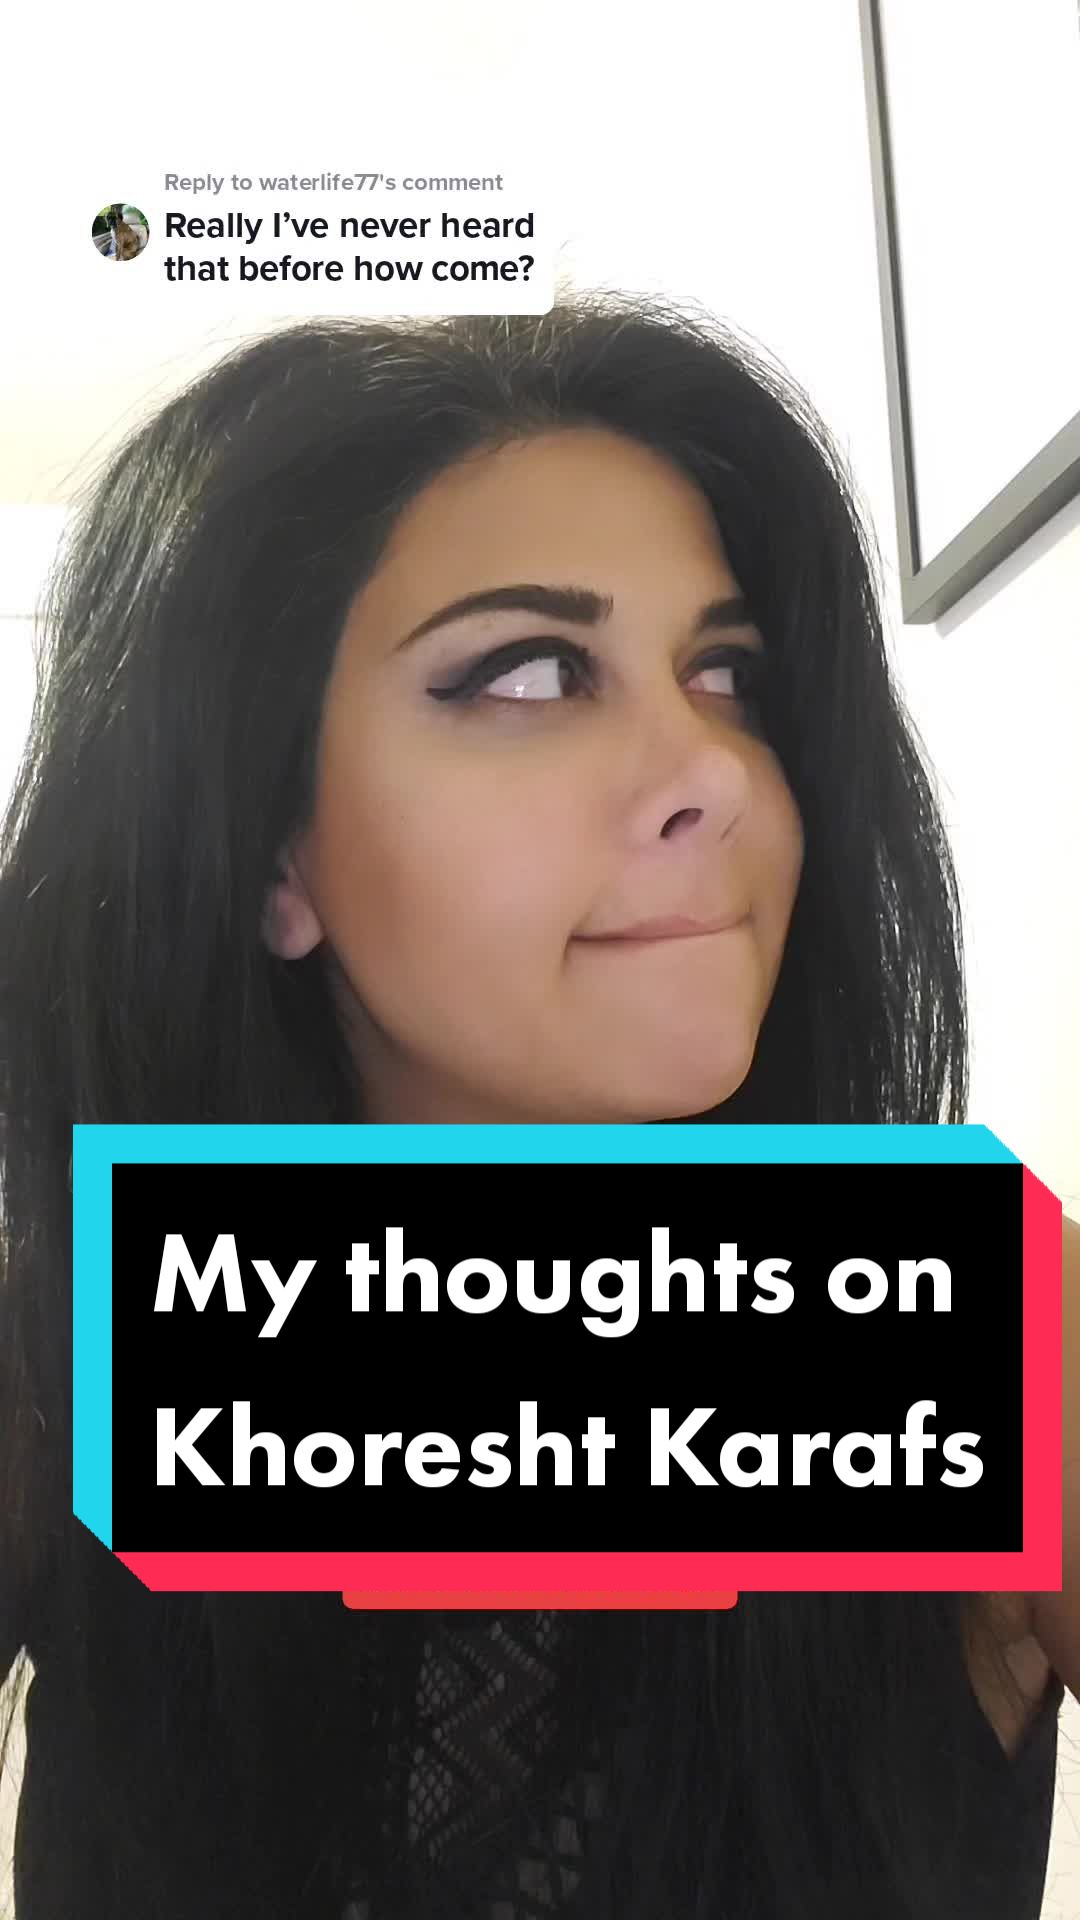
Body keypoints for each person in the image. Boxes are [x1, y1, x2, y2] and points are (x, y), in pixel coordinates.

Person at [0, 289, 1075, 1919]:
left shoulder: (993, 1327)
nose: (715, 771)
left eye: (727, 675)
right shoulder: (67, 1347)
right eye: (526, 672)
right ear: (273, 854)